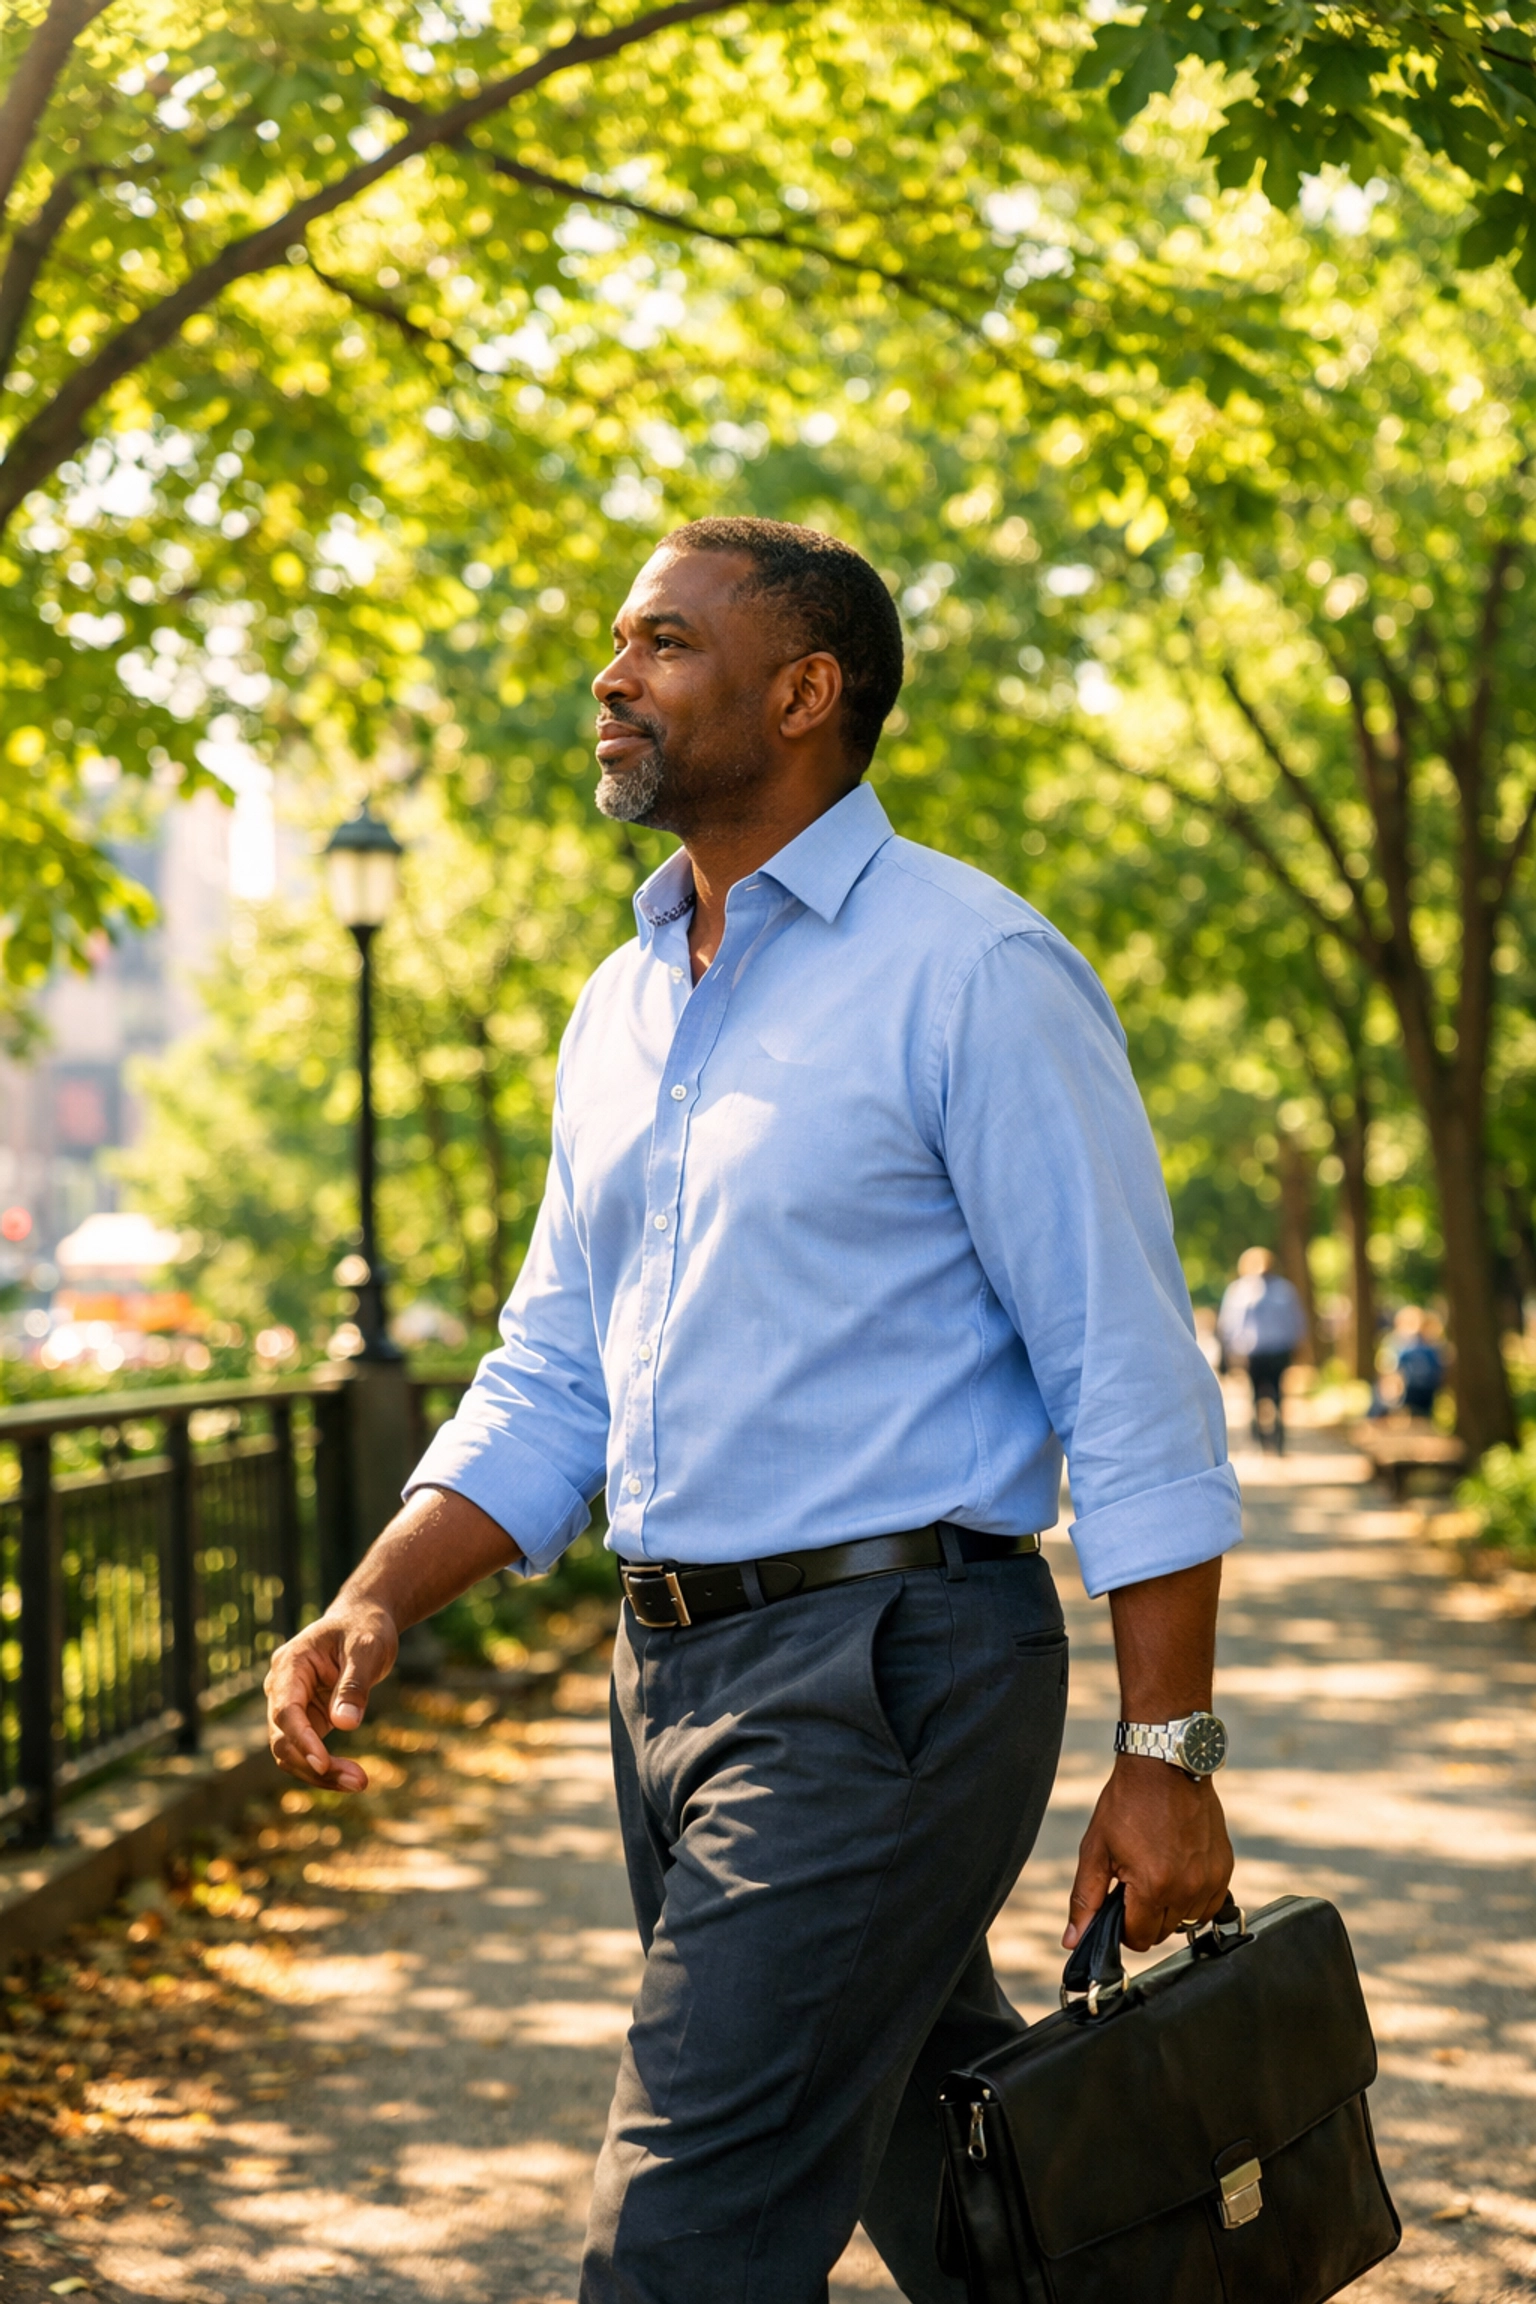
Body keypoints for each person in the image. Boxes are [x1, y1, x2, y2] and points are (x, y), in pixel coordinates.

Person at [266, 519, 1240, 2304]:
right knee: (980, 2202)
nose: (610, 675)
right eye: (618, 639)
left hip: (887, 1672)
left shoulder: (973, 968)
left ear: (803, 694)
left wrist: (1167, 1750)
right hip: (667, 1678)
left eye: (663, 642)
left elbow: (1124, 1364)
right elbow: (556, 1369)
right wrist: (377, 1596)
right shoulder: (622, 1004)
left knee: (680, 2234)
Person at [1217, 1246, 1307, 1454]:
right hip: (1253, 1352)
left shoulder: (1283, 1289)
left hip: (1276, 1350)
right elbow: (1230, 1324)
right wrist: (1231, 1349)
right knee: (1255, 1396)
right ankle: (1259, 1438)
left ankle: (1277, 1438)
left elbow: (1296, 1320)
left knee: (1277, 1395)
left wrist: (1297, 1344)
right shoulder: (1239, 1291)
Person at [1385, 1305, 1446, 1420]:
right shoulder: (1403, 1347)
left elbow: (1438, 1368)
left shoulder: (1429, 1349)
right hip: (1412, 1389)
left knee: (1422, 1416)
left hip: (1424, 1389)